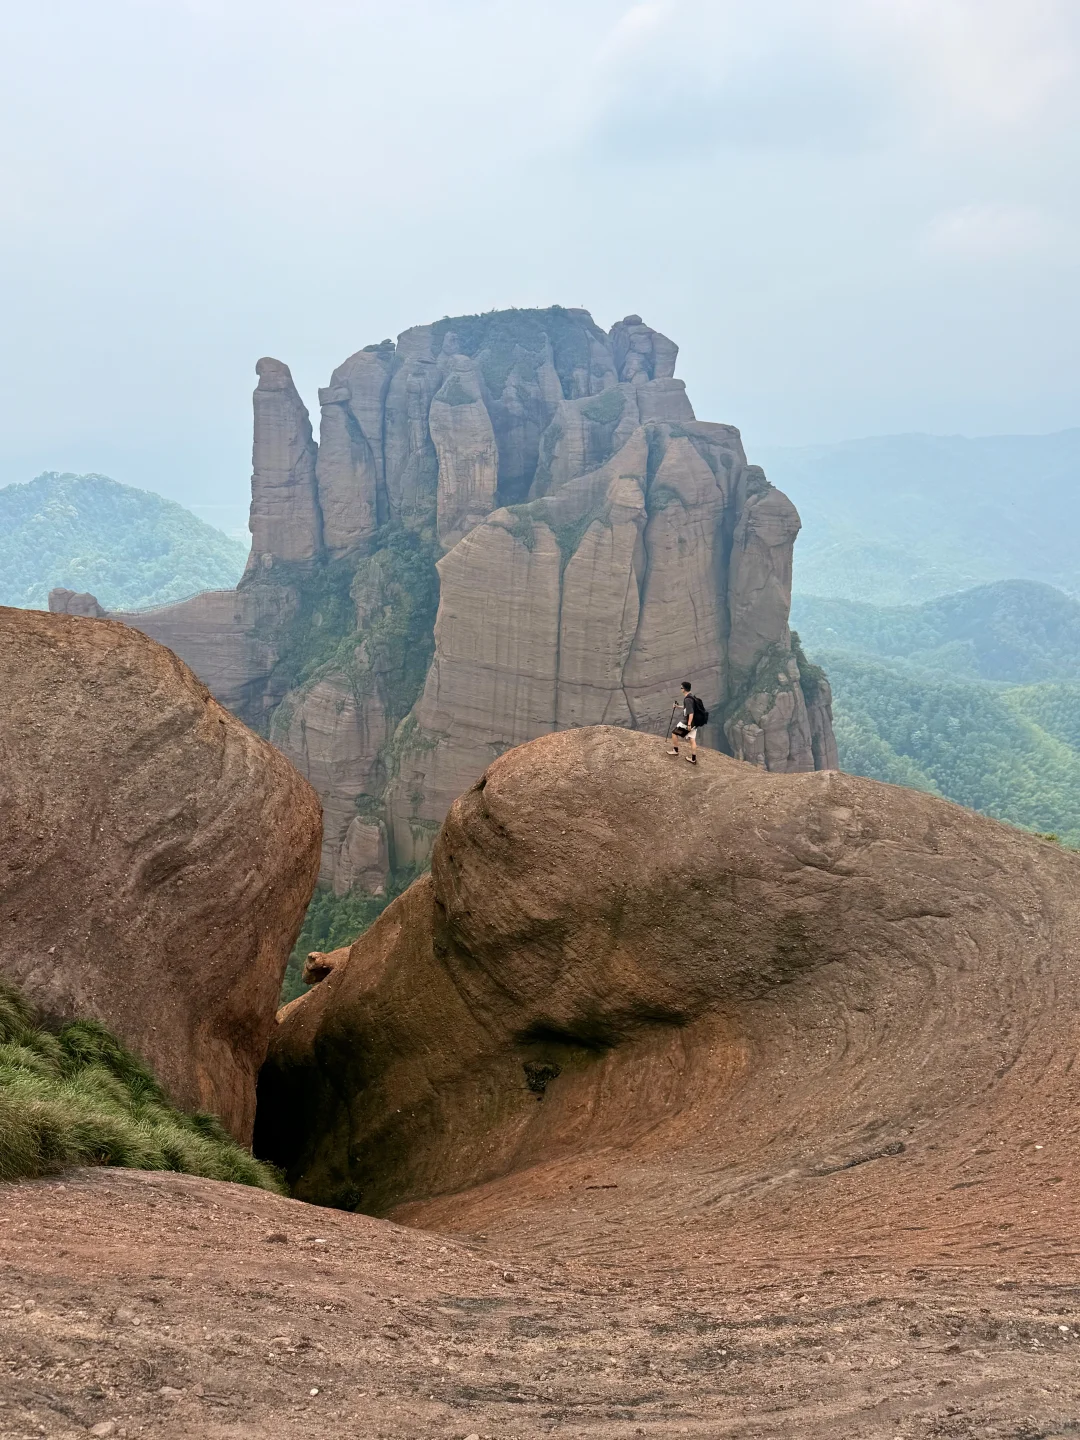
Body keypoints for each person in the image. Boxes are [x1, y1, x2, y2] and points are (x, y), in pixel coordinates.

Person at [668, 681, 702, 764]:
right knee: (692, 739)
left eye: (681, 688)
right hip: (695, 722)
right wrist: (678, 706)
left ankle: (675, 750)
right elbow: (688, 708)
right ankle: (693, 759)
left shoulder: (687, 699)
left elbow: (691, 712)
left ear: (684, 689)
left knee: (674, 733)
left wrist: (689, 724)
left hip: (687, 722)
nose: (680, 689)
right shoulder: (692, 697)